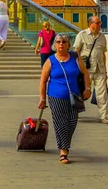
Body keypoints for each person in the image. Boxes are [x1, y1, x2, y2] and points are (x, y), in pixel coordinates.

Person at [38, 33, 91, 164]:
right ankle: (63, 150)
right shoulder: (50, 60)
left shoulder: (74, 57)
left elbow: (85, 73)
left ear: (68, 44)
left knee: (72, 123)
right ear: (54, 45)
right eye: (58, 42)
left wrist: (88, 88)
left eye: (64, 42)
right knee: (60, 123)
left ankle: (64, 145)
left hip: (74, 96)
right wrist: (42, 99)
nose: (61, 44)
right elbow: (43, 81)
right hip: (56, 97)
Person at [73, 16, 108, 124]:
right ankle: (75, 112)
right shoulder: (82, 35)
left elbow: (103, 54)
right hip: (85, 70)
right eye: (98, 23)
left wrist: (105, 70)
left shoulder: (102, 37)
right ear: (91, 24)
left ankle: (102, 116)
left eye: (100, 23)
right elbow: (76, 52)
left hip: (99, 69)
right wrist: (78, 68)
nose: (100, 25)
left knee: (102, 93)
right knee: (81, 92)